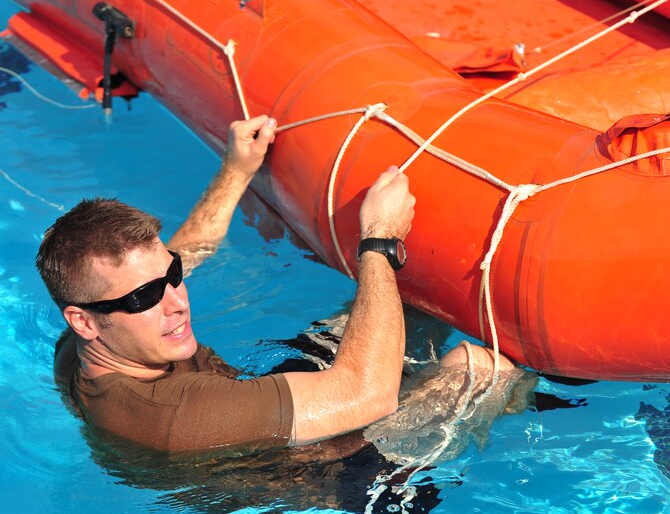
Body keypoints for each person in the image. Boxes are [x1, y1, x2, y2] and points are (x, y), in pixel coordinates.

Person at [37, 114, 517, 453]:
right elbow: (369, 397)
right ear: (84, 321)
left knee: (404, 309)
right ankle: (557, 387)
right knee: (482, 370)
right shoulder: (175, 416)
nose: (177, 303)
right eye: (145, 298)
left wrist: (235, 170)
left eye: (172, 277)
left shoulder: (88, 329)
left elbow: (186, 250)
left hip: (253, 400)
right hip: (339, 482)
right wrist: (379, 241)